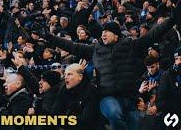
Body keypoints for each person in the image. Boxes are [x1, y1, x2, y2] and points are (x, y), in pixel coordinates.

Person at [39, 10, 180, 130]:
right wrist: (49, 37)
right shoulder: (94, 50)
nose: (103, 34)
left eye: (107, 31)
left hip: (130, 98)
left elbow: (153, 35)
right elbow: (71, 46)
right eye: (102, 32)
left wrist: (172, 18)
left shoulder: (131, 46)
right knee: (113, 113)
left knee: (135, 124)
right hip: (108, 97)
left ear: (116, 35)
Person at [51, 61, 98, 130]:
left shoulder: (91, 91)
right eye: (65, 74)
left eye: (69, 74)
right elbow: (55, 113)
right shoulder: (63, 89)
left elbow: (86, 121)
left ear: (80, 77)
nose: (65, 77)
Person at [148, 47, 181, 130]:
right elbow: (162, 98)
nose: (179, 62)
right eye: (177, 59)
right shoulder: (167, 75)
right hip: (172, 114)